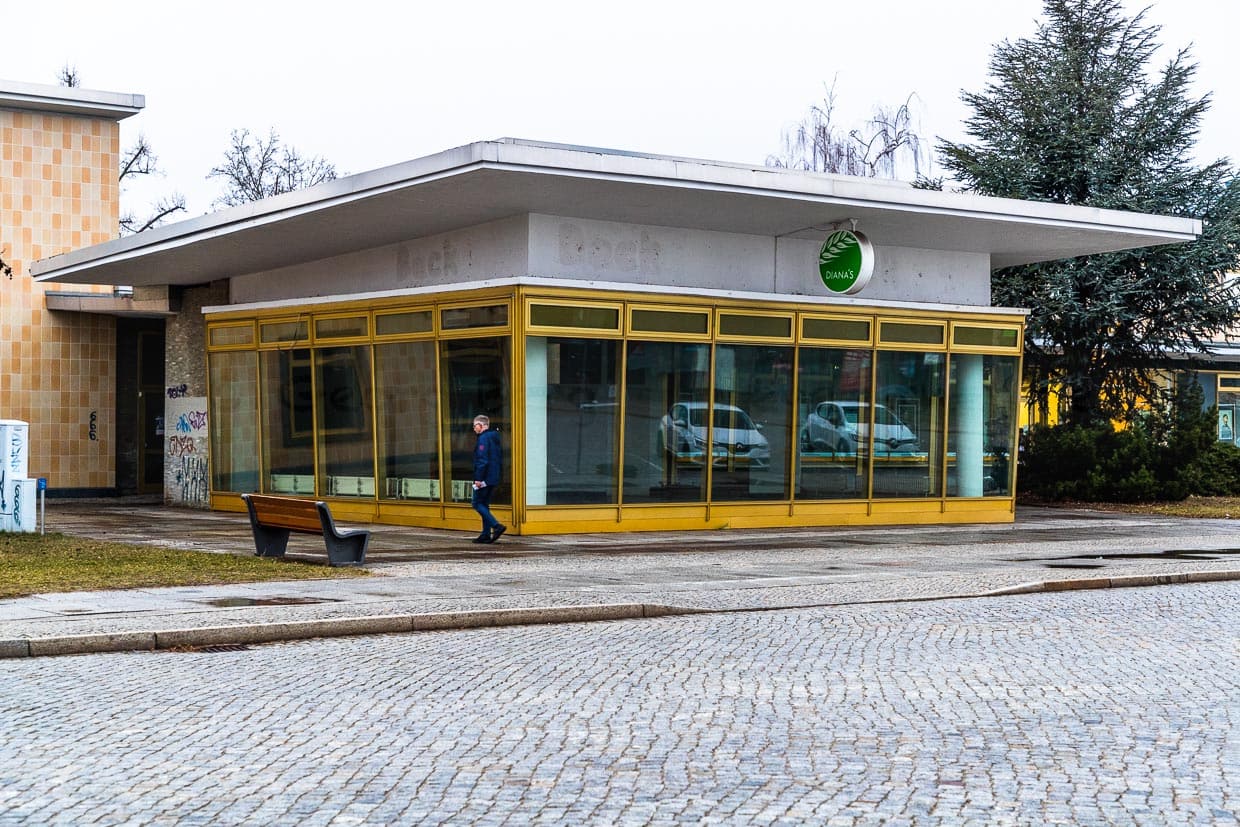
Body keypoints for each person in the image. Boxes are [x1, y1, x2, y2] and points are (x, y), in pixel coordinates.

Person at [471, 414, 505, 543]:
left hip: (484, 478)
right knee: (484, 504)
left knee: (476, 503)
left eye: (475, 426)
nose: (474, 428)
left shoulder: (483, 439)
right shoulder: (494, 438)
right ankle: (485, 534)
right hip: (492, 477)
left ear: (482, 425)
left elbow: (482, 460)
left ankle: (496, 526)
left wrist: (478, 479)